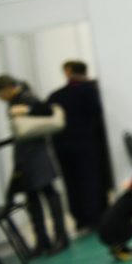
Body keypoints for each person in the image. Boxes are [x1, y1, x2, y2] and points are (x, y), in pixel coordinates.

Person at [0, 74, 70, 257]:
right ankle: (42, 240)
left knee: (49, 194)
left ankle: (61, 236)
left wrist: (25, 110)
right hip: (26, 156)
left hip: (37, 155)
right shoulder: (15, 101)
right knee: (32, 199)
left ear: (7, 89)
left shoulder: (26, 98)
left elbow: (46, 111)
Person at [47, 60, 114, 233]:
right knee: (90, 180)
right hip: (88, 145)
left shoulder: (56, 96)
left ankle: (81, 219)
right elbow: (98, 116)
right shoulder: (91, 90)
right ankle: (94, 217)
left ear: (68, 71)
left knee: (72, 182)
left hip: (63, 147)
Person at [96, 170, 132, 262]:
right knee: (131, 230)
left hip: (103, 228)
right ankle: (117, 247)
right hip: (111, 228)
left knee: (126, 226)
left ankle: (120, 247)